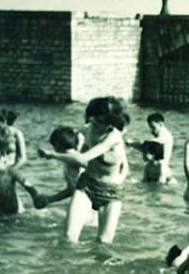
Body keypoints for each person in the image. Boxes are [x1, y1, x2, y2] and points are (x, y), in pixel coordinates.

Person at [38, 97, 129, 243]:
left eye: (100, 121)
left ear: (110, 122)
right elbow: (70, 140)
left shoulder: (114, 137)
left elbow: (83, 159)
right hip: (87, 186)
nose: (95, 124)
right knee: (68, 236)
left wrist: (52, 155)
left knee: (103, 242)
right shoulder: (86, 131)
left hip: (112, 192)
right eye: (93, 120)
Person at [31, 126, 84, 209]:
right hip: (81, 201)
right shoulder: (69, 159)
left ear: (57, 145)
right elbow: (72, 190)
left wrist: (52, 155)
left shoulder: (75, 157)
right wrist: (49, 199)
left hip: (87, 203)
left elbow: (79, 160)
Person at [0, 108, 28, 215]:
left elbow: (23, 158)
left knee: (13, 196)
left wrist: (12, 171)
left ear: (4, 121)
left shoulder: (17, 134)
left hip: (12, 169)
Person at [130, 113, 175, 184]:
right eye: (150, 127)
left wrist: (132, 143)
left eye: (153, 127)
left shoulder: (166, 137)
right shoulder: (158, 135)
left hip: (163, 170)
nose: (152, 130)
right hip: (155, 166)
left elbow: (146, 146)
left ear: (161, 124)